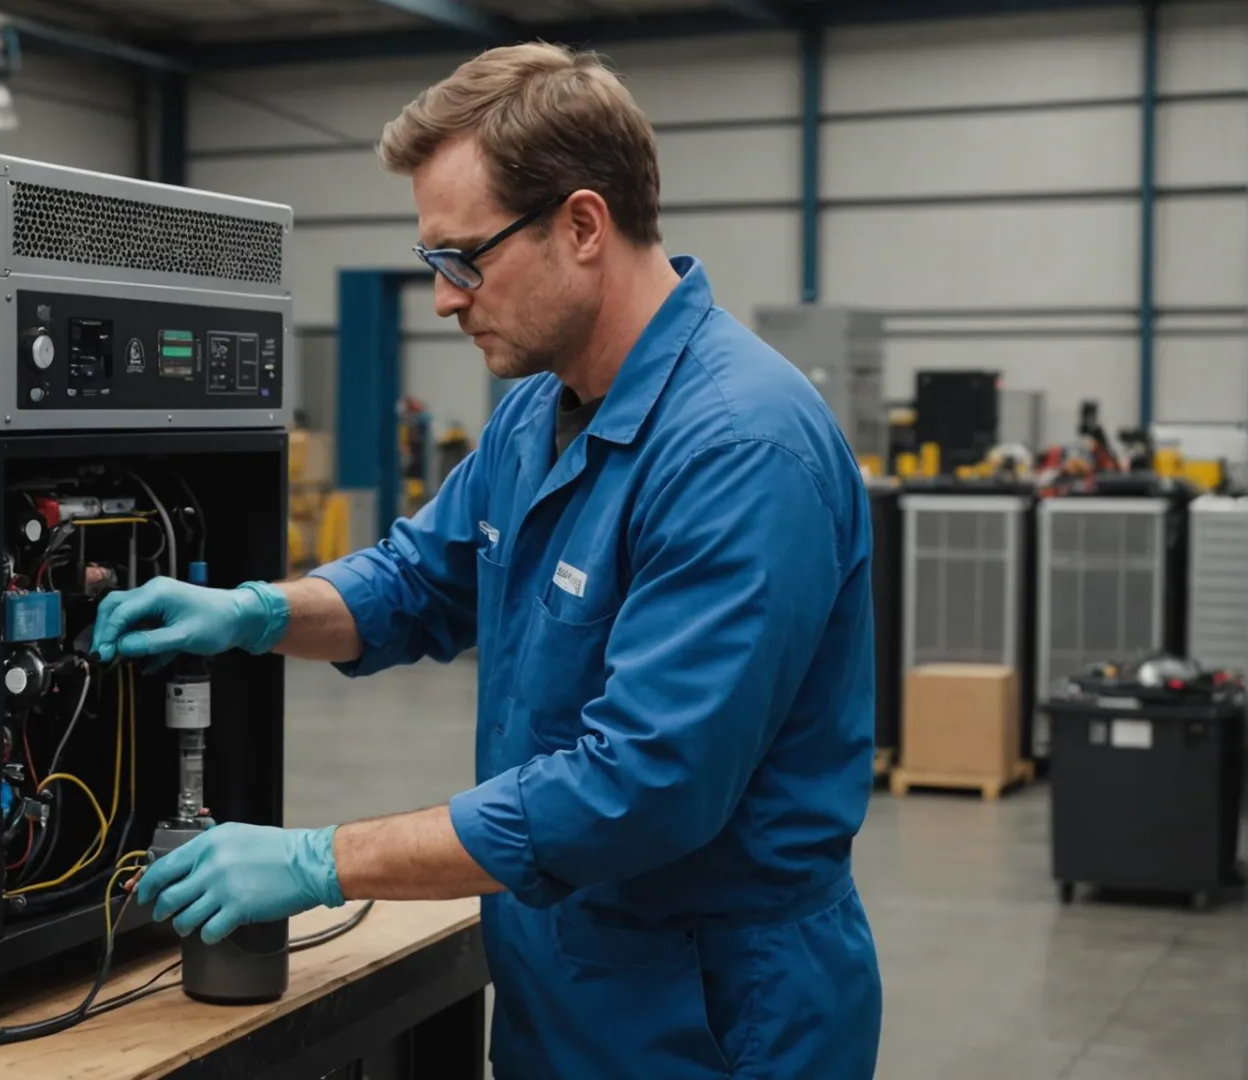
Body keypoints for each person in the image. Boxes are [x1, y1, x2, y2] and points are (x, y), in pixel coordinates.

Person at [92, 42, 882, 1080]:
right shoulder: (534, 418)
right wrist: (254, 611)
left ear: (582, 226)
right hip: (564, 974)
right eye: (435, 265)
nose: (445, 299)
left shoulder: (739, 447)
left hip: (715, 1005)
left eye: (464, 258)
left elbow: (641, 786)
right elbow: (416, 580)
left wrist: (318, 860)